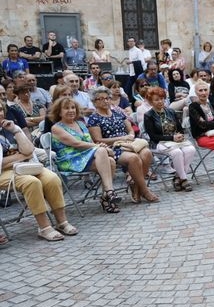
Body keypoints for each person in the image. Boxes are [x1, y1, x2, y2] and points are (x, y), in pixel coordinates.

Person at [0, 104, 78, 241]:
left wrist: (16, 131)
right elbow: (8, 161)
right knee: (31, 182)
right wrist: (22, 156)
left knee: (52, 178)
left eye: (0, 110)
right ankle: (44, 227)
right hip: (4, 172)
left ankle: (62, 222)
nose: (0, 113)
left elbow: (29, 150)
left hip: (26, 166)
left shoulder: (9, 128)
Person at [87, 87, 159, 203]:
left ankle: (136, 187)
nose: (105, 101)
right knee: (133, 158)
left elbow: (130, 129)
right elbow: (97, 140)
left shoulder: (118, 112)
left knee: (147, 153)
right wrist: (122, 138)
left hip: (128, 143)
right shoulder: (94, 118)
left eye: (107, 98)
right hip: (112, 147)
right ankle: (145, 191)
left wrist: (130, 136)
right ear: (95, 102)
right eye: (101, 99)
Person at [49, 97, 121, 213]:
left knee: (110, 161)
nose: (71, 110)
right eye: (66, 108)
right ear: (59, 112)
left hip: (85, 157)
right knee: (102, 152)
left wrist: (101, 147)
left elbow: (91, 144)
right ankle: (109, 193)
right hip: (69, 160)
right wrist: (101, 147)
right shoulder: (56, 128)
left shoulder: (81, 124)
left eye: (73, 107)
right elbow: (75, 143)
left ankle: (107, 195)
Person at [143, 87, 196, 192]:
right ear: (150, 101)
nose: (160, 101)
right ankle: (184, 179)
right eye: (157, 99)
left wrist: (180, 135)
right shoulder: (148, 115)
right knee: (177, 153)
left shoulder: (171, 111)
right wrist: (172, 137)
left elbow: (180, 129)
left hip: (175, 141)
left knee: (191, 149)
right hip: (158, 143)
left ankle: (177, 177)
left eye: (162, 98)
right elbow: (153, 136)